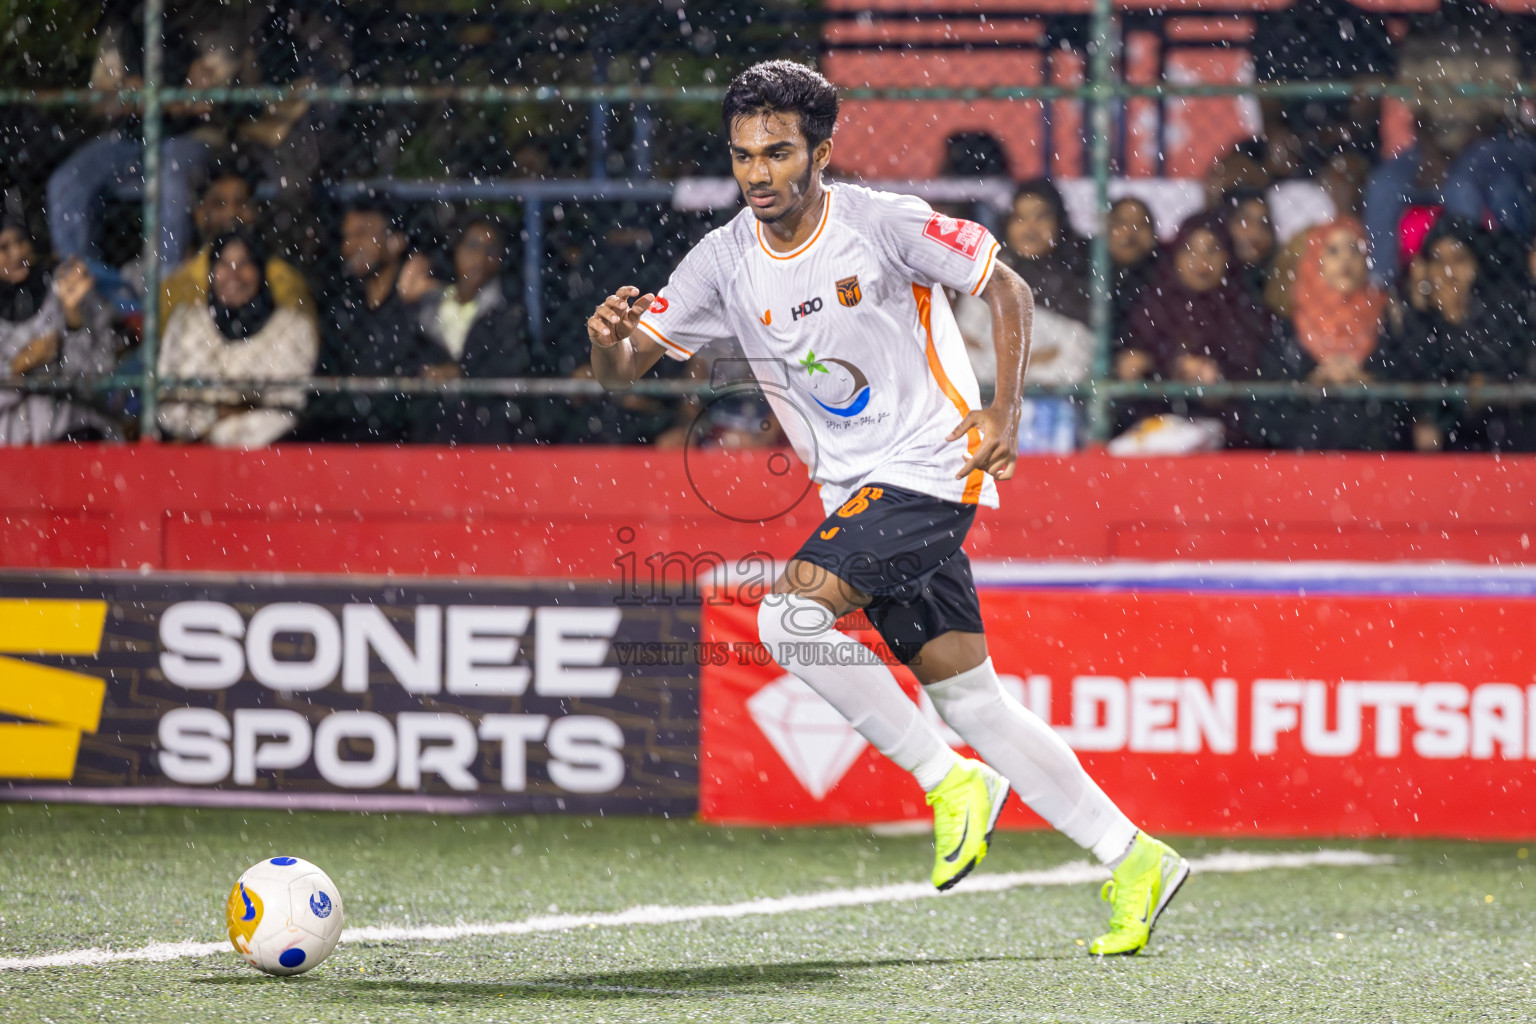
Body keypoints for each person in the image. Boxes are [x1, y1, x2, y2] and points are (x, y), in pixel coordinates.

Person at [585, 60, 1188, 957]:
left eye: (778, 153)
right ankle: (1134, 857)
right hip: (858, 493)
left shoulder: (881, 222)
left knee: (787, 619)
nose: (758, 173)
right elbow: (626, 369)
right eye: (744, 155)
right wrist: (607, 343)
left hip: (933, 467)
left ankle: (949, 781)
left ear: (820, 152)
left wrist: (1004, 409)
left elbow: (1007, 287)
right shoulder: (721, 259)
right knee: (974, 700)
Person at [1373, 217, 1530, 451]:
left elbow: (1506, 370)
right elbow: (1408, 374)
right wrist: (1416, 313)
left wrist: (1459, 321)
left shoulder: (1499, 312)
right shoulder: (1410, 312)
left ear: (1476, 266)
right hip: (1431, 429)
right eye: (1437, 260)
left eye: (1459, 259)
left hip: (1490, 429)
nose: (1448, 271)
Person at [1120, 212, 1279, 444]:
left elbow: (1260, 376)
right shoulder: (1152, 308)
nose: (1201, 260)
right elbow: (1133, 364)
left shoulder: (1247, 312)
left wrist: (1220, 382)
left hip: (1229, 437)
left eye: (1213, 250)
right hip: (1157, 429)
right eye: (1190, 250)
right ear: (1175, 256)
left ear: (1228, 255)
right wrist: (1170, 366)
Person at [157, 229, 317, 447]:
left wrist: (218, 425)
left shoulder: (292, 328)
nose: (234, 275)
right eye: (223, 264)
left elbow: (285, 409)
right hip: (192, 450)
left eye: (244, 264)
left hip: (264, 452)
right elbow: (169, 405)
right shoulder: (186, 322)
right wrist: (231, 411)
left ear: (260, 269)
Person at [300, 201, 440, 442]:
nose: (351, 245)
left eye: (362, 233)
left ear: (395, 242)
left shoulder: (421, 299)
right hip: (346, 433)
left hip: (407, 435)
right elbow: (323, 385)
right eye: (347, 237)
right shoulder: (343, 306)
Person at [413, 214, 547, 444]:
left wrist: (463, 374)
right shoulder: (430, 304)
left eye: (491, 250)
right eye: (473, 246)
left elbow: (512, 366)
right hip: (430, 431)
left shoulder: (508, 312)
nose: (481, 257)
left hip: (488, 434)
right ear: (456, 250)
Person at [0, 224, 120, 444]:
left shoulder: (67, 285)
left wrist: (74, 322)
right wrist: (17, 366)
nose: (16, 253)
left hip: (74, 432)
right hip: (10, 443)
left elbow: (100, 377)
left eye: (21, 241)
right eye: (4, 247)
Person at [159, 158, 313, 328]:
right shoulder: (176, 287)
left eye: (241, 203)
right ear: (200, 215)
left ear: (255, 211)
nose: (232, 213)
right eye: (219, 204)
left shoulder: (286, 282)